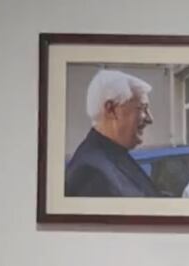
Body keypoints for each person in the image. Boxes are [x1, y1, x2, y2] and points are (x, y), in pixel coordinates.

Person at [64, 69, 159, 197]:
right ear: (111, 110)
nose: (150, 119)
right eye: (142, 108)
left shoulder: (112, 154)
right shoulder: (91, 173)